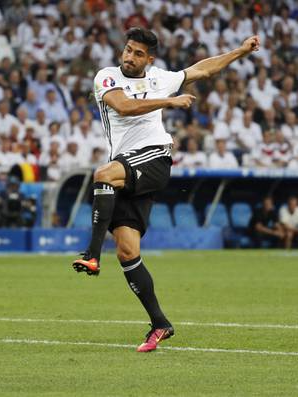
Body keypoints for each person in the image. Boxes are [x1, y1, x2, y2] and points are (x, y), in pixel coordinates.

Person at [71, 28, 260, 352]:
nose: (129, 57)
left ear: (150, 58)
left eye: (137, 53)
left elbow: (203, 69)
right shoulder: (107, 77)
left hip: (155, 156)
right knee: (128, 251)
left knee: (103, 174)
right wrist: (171, 101)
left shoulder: (160, 77)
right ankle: (160, 323)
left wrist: (240, 52)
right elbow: (124, 107)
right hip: (128, 164)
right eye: (127, 50)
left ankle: (91, 255)